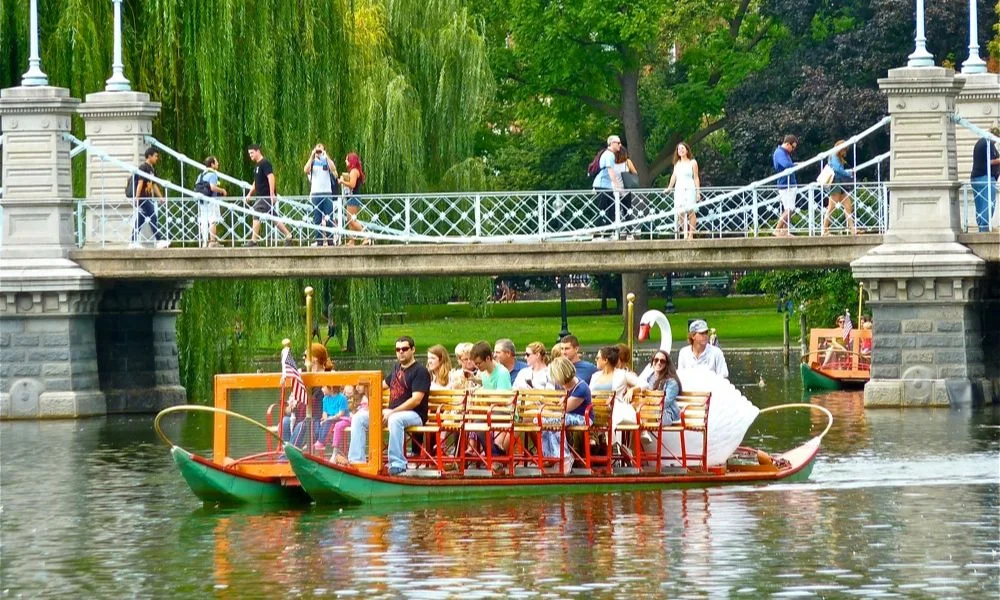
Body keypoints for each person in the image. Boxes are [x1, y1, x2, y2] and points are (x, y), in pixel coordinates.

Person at [347, 336, 430, 475]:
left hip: (415, 414)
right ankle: (357, 461)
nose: (401, 352)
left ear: (413, 350)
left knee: (395, 419)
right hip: (391, 412)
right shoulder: (397, 368)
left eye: (405, 349)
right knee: (359, 417)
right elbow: (380, 386)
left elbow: (416, 400)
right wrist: (363, 388)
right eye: (398, 349)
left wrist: (392, 411)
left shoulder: (420, 371)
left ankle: (397, 464)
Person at [281, 343, 334, 447]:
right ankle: (287, 450)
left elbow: (334, 398)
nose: (303, 358)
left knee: (303, 425)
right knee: (285, 421)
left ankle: (289, 453)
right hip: (299, 416)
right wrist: (291, 405)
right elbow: (288, 410)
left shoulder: (328, 375)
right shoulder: (301, 375)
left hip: (317, 420)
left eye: (305, 356)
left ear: (315, 359)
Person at [546, 357, 591, 474]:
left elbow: (564, 409)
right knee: (539, 420)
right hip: (567, 416)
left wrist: (550, 409)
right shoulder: (565, 386)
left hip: (583, 418)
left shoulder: (581, 388)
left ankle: (565, 457)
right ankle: (551, 456)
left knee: (554, 420)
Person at [244, 144, 293, 247]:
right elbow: (256, 182)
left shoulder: (265, 163)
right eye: (249, 153)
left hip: (265, 196)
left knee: (256, 212)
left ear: (258, 151)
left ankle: (253, 240)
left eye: (252, 153)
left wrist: (271, 194)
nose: (250, 155)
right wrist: (249, 194)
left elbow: (271, 177)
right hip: (260, 196)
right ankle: (288, 235)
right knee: (273, 217)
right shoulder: (257, 166)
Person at [129, 147, 170, 249]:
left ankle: (133, 242)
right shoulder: (143, 167)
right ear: (149, 156)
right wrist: (137, 198)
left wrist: (161, 197)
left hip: (147, 198)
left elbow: (154, 184)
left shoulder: (151, 169)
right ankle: (159, 240)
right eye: (155, 156)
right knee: (153, 217)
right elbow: (140, 183)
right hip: (143, 198)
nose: (157, 158)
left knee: (140, 220)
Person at [303, 143, 339, 246]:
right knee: (317, 218)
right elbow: (305, 170)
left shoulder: (327, 161)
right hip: (316, 193)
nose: (319, 152)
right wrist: (312, 155)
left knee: (329, 217)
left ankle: (330, 239)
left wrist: (326, 155)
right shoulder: (312, 162)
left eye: (321, 149)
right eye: (317, 150)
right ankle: (319, 240)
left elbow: (333, 169)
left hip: (327, 193)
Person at [664, 142, 700, 240]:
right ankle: (684, 233)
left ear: (687, 150)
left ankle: (691, 234)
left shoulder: (692, 162)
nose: (681, 150)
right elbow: (674, 176)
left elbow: (696, 177)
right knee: (680, 212)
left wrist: (698, 192)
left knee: (691, 211)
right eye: (679, 149)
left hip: (690, 188)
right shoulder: (677, 163)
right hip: (679, 188)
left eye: (682, 148)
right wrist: (669, 188)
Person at [821, 141, 856, 236]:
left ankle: (853, 230)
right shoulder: (833, 155)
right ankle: (824, 230)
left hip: (840, 184)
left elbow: (839, 170)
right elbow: (837, 169)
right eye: (844, 150)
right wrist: (849, 174)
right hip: (835, 183)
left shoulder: (836, 156)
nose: (845, 152)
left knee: (848, 206)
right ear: (840, 149)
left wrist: (848, 173)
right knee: (831, 208)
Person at [592, 135, 624, 235]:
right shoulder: (610, 155)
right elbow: (610, 171)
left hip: (604, 185)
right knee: (603, 209)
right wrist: (617, 186)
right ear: (611, 143)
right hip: (603, 185)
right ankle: (599, 232)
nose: (620, 145)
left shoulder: (607, 154)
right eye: (618, 143)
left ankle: (607, 231)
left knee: (609, 209)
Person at [971, 126, 1000, 232]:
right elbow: (990, 161)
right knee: (988, 203)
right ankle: (984, 227)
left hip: (977, 177)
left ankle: (982, 226)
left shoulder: (982, 143)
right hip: (984, 177)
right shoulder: (987, 144)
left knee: (981, 204)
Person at [194, 155, 227, 248]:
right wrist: (222, 190)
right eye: (216, 162)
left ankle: (204, 242)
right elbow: (212, 187)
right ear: (212, 164)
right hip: (211, 200)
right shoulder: (213, 174)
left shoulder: (201, 175)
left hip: (202, 201)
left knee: (204, 220)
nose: (218, 163)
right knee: (213, 220)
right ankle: (212, 241)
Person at [338, 152, 369, 245]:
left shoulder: (354, 171)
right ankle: (352, 240)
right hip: (352, 197)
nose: (345, 161)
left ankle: (366, 236)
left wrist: (342, 181)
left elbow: (352, 184)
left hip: (353, 197)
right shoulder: (354, 171)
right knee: (350, 219)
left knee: (352, 219)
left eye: (347, 159)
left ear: (351, 161)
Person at [772, 135, 799, 237]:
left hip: (789, 184)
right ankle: (777, 229)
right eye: (793, 147)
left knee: (789, 209)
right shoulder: (779, 153)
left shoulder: (784, 153)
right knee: (789, 209)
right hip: (785, 184)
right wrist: (796, 165)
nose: (793, 149)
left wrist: (795, 164)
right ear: (787, 144)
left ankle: (785, 231)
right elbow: (786, 165)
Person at [645, 350, 681, 423]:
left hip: (666, 414)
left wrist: (649, 405)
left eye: (662, 361)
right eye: (656, 360)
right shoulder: (651, 378)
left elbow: (666, 402)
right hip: (652, 411)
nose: (659, 363)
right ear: (652, 362)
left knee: (643, 414)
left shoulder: (672, 382)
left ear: (666, 364)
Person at [315, 384, 351, 452]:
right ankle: (318, 441)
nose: (322, 389)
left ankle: (321, 442)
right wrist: (325, 419)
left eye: (323, 386)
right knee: (319, 422)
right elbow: (324, 412)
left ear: (331, 388)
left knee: (328, 422)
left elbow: (341, 413)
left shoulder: (342, 398)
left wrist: (329, 419)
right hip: (331, 418)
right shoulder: (325, 399)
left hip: (342, 418)